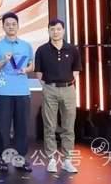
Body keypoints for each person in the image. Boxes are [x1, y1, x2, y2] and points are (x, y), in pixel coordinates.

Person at [0, 12, 34, 173]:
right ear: (3, 27)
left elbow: (32, 65)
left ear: (18, 26)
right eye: (7, 24)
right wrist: (4, 61)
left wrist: (26, 69)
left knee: (22, 127)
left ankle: (20, 159)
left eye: (13, 24)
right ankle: (4, 159)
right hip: (4, 92)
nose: (11, 27)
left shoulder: (26, 45)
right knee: (3, 128)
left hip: (22, 92)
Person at [35, 19, 81, 174]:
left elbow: (76, 70)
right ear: (48, 31)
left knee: (69, 126)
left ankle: (67, 160)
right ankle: (52, 160)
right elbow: (39, 73)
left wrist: (68, 83)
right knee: (49, 126)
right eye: (52, 29)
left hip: (68, 90)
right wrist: (47, 87)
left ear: (63, 30)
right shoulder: (42, 50)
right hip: (50, 89)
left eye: (58, 29)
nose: (55, 32)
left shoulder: (72, 49)